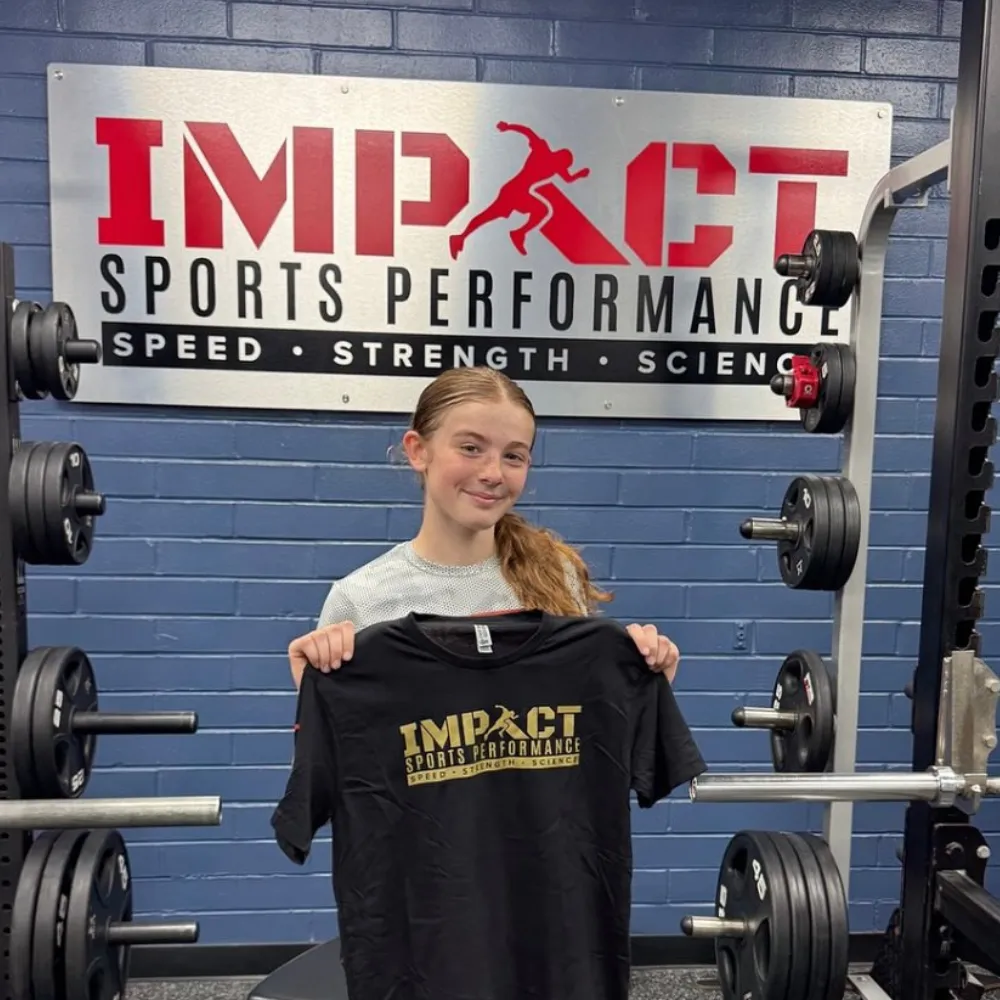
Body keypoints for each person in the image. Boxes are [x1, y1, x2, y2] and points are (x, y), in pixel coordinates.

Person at [287, 365, 680, 688]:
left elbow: (586, 723)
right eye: (471, 448)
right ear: (418, 450)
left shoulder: (555, 574)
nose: (493, 473)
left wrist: (646, 676)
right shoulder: (360, 600)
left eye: (513, 455)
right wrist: (315, 688)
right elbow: (338, 767)